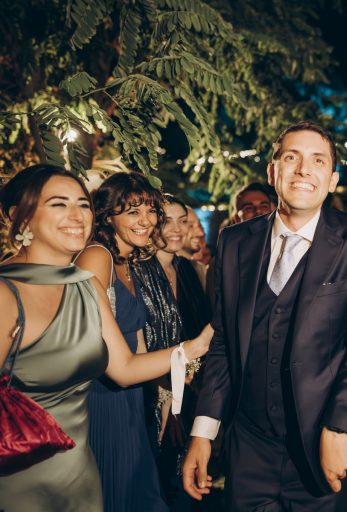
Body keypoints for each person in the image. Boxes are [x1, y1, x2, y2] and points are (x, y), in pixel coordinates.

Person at [181, 121, 347, 511]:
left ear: (332, 180)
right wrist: (203, 432)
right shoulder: (233, 242)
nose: (303, 169)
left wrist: (342, 427)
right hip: (249, 448)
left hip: (322, 445)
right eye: (291, 158)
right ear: (272, 171)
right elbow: (224, 342)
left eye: (318, 160)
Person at [0, 164, 211, 512]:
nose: (76, 215)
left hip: (80, 477)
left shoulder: (85, 285)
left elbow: (124, 369)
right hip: (18, 480)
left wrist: (199, 344)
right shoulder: (7, 292)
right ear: (18, 217)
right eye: (58, 204)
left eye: (82, 204)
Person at [74, 171, 174, 512]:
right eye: (133, 211)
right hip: (102, 397)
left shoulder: (130, 262)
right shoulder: (96, 256)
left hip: (132, 399)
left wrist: (163, 396)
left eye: (150, 210)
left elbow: (138, 341)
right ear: (108, 217)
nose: (145, 220)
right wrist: (194, 348)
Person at [133, 194, 212, 511]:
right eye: (167, 221)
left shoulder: (189, 270)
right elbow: (140, 345)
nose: (177, 229)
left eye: (183, 221)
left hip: (192, 392)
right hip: (150, 396)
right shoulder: (137, 273)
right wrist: (168, 400)